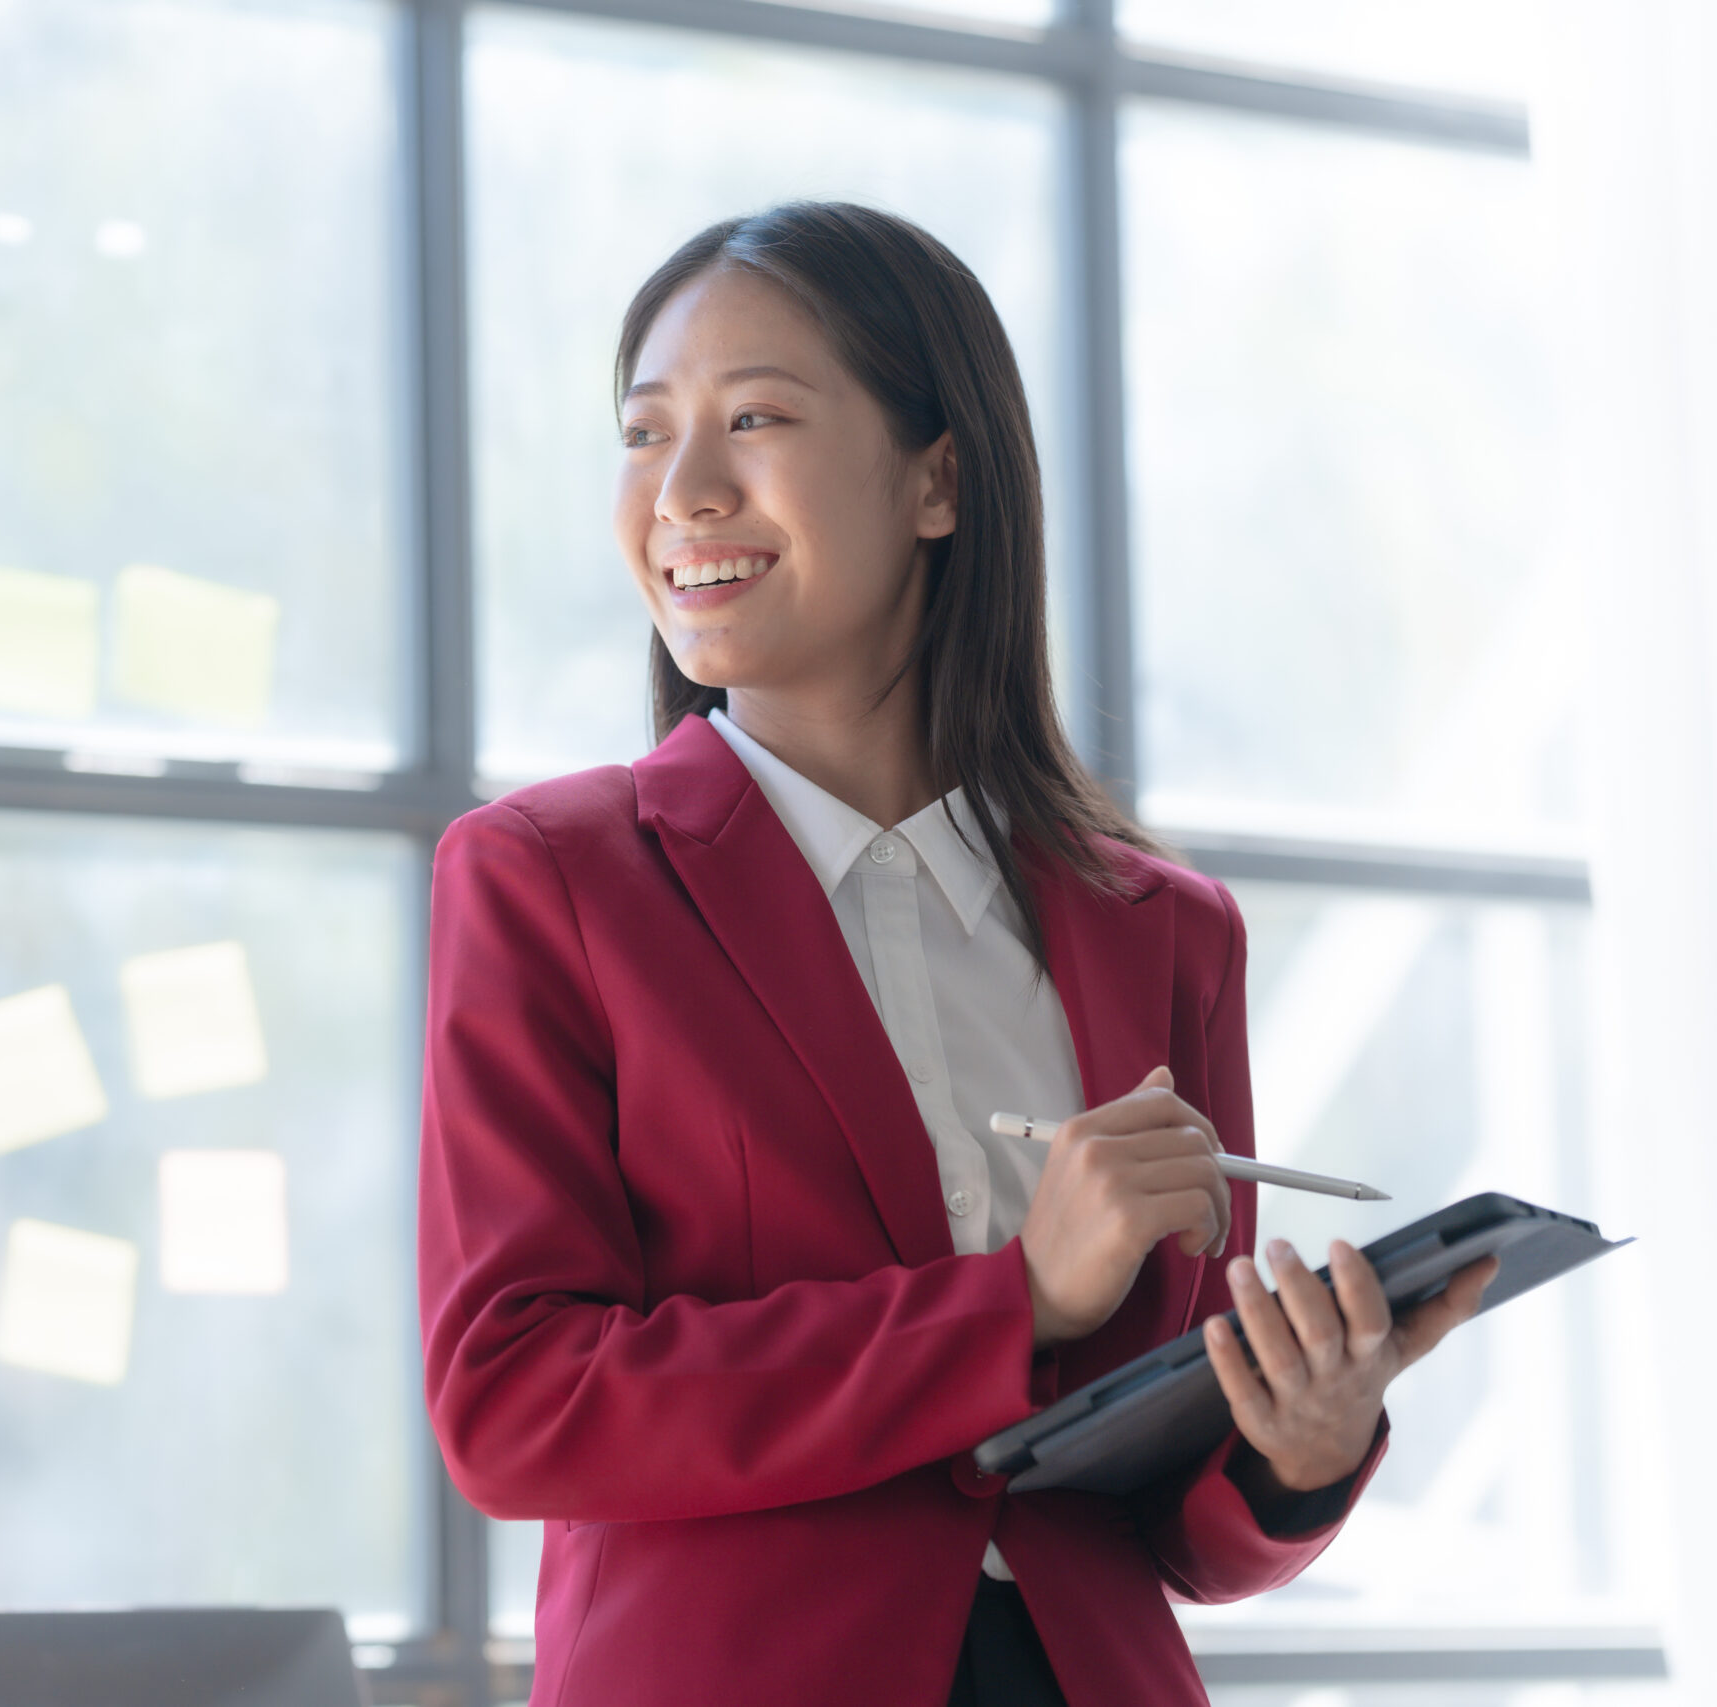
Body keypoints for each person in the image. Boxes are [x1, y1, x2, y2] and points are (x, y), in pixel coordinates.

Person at [416, 202, 1497, 1707]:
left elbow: (1168, 1523)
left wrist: (1297, 1450)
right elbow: (516, 1404)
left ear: (938, 477)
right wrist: (1017, 1303)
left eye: (757, 419)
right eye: (647, 434)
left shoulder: (1165, 934)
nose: (685, 491)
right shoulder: (552, 881)